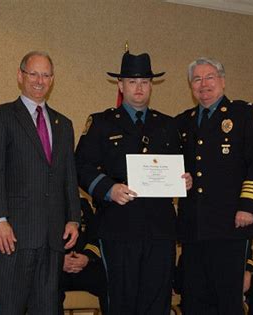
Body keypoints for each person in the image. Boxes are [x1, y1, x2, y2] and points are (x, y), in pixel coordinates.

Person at [75, 51, 192, 315]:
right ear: (120, 85)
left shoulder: (167, 125)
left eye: (144, 82)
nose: (139, 88)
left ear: (151, 86)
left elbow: (183, 166)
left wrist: (185, 178)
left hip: (160, 230)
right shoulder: (102, 123)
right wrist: (109, 189)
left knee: (157, 302)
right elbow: (80, 165)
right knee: (122, 302)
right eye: (131, 82)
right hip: (119, 228)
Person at [0, 51, 81, 315]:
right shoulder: (0, 116)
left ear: (52, 80)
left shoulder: (63, 124)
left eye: (46, 75)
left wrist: (73, 218)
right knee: (9, 308)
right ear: (20, 75)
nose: (39, 80)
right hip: (13, 236)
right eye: (33, 73)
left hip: (52, 237)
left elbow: (69, 175)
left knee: (47, 309)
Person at [175, 57, 253, 314]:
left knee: (228, 301)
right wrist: (179, 180)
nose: (203, 84)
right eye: (197, 79)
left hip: (231, 225)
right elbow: (176, 167)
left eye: (210, 78)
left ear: (223, 82)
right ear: (190, 85)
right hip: (193, 228)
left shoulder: (245, 114)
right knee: (194, 300)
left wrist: (248, 207)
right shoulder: (182, 122)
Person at [60, 198, 107, 315]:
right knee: (46, 288)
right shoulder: (44, 202)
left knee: (111, 283)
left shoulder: (83, 204)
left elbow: (95, 236)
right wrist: (58, 260)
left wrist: (87, 257)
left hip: (85, 267)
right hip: (56, 269)